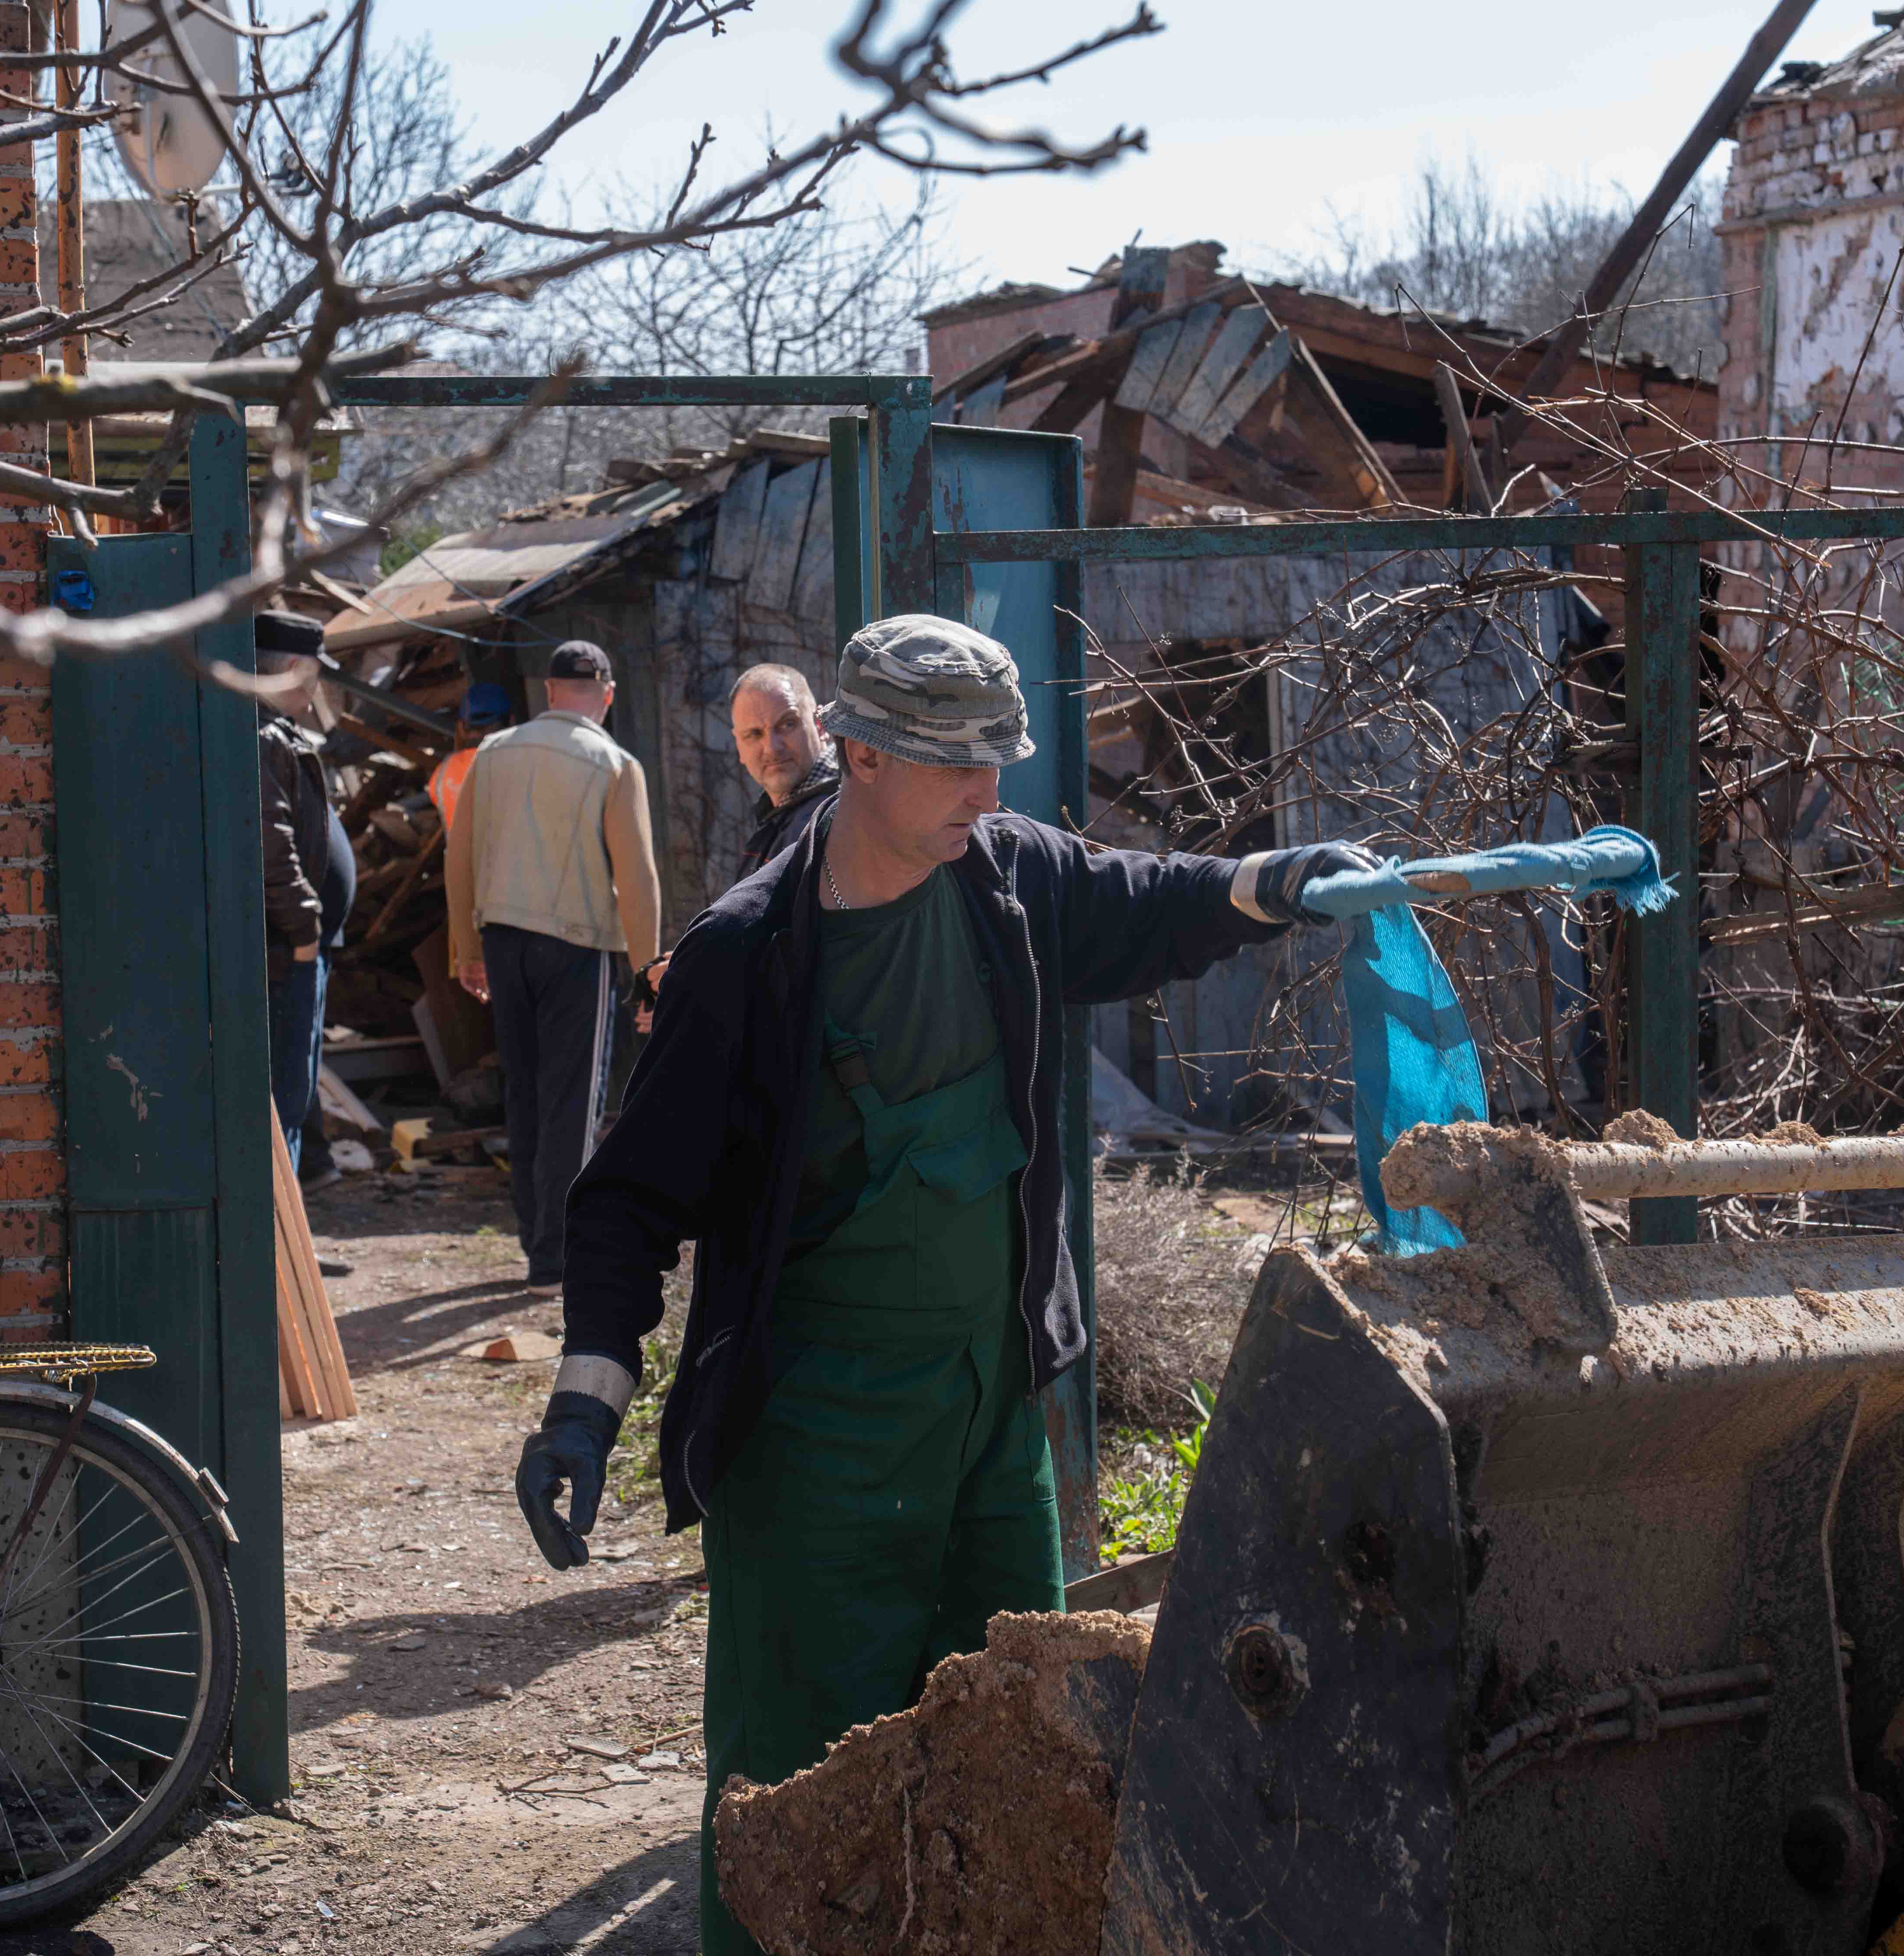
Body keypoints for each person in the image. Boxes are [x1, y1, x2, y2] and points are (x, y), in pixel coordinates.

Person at [509, 615, 1375, 1955]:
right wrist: (586, 1396)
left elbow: (1144, 900)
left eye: (997, 762)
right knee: (797, 1792)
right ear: (857, 756)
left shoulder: (1007, 881)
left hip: (985, 1422)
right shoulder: (747, 956)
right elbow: (628, 1199)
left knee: (1009, 1753)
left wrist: (1283, 880)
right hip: (815, 1440)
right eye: (956, 765)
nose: (989, 791)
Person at [447, 641, 664, 1292]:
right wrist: (647, 973)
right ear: (607, 693)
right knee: (573, 1099)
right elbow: (639, 879)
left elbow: (459, 858)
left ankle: (533, 1242)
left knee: (525, 1093)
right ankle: (556, 1258)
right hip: (577, 946)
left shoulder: (491, 755)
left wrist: (465, 948)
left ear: (548, 691)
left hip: (503, 941)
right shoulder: (615, 764)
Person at [256, 611, 353, 1178]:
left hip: (296, 954)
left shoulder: (274, 733)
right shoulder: (265, 736)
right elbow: (271, 843)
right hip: (288, 955)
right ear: (295, 669)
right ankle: (275, 1259)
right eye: (315, 673)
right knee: (285, 1099)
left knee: (293, 1094)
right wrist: (303, 933)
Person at [728, 661, 839, 875]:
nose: (771, 748)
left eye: (788, 724)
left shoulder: (832, 813)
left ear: (820, 724)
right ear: (739, 747)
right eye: (754, 734)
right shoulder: (783, 815)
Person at [429, 678, 511, 832]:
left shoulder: (441, 775)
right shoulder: (521, 765)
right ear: (511, 721)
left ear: (461, 727)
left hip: (460, 857)